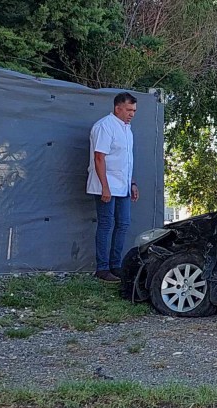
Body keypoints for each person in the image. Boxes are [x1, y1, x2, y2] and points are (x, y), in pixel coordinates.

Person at [87, 92, 139, 283]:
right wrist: (105, 187)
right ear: (118, 108)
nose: (131, 114)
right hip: (106, 184)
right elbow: (99, 157)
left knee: (123, 224)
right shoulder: (105, 126)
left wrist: (132, 183)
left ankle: (115, 265)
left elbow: (126, 160)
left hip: (123, 185)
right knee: (106, 224)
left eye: (134, 110)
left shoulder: (127, 129)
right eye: (128, 110)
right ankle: (102, 268)